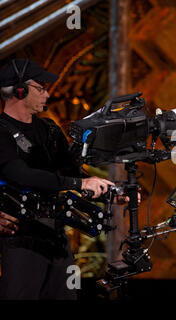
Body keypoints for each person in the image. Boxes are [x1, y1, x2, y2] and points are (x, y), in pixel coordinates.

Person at [0, 59, 117, 300]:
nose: (47, 94)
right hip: (22, 238)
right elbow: (20, 174)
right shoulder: (1, 131)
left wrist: (108, 191)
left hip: (56, 235)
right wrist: (79, 184)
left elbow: (71, 172)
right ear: (19, 91)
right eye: (41, 88)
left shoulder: (49, 129)